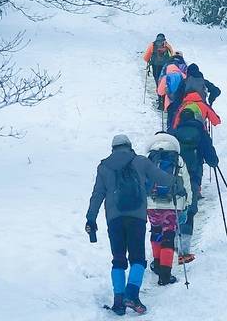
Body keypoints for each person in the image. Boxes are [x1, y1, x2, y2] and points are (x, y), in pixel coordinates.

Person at [85, 134, 177, 316]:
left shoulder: (104, 167)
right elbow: (162, 177)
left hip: (114, 218)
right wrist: (175, 183)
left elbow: (97, 194)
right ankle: (132, 295)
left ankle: (118, 301)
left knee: (118, 259)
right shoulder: (140, 161)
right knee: (137, 259)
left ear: (113, 148)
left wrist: (91, 218)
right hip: (137, 217)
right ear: (129, 146)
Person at [173, 109, 219, 264]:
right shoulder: (200, 132)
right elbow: (210, 155)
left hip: (177, 176)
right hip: (193, 175)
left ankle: (172, 245)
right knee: (190, 209)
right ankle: (184, 249)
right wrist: (214, 162)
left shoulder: (174, 132)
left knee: (176, 208)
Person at [146, 133, 192, 285]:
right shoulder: (177, 159)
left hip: (152, 204)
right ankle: (165, 275)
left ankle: (157, 264)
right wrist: (188, 202)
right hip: (173, 204)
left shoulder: (149, 159)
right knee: (169, 234)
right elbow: (186, 183)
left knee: (156, 231)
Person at [143, 33, 174, 109]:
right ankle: (164, 100)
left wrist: (149, 60)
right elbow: (172, 55)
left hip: (155, 66)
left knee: (158, 82)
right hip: (165, 67)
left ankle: (160, 100)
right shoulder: (167, 45)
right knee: (164, 82)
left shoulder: (152, 45)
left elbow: (145, 57)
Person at [157, 53, 187, 130]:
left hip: (169, 102)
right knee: (179, 117)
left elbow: (160, 92)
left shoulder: (166, 77)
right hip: (181, 101)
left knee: (170, 118)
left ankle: (170, 131)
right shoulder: (183, 75)